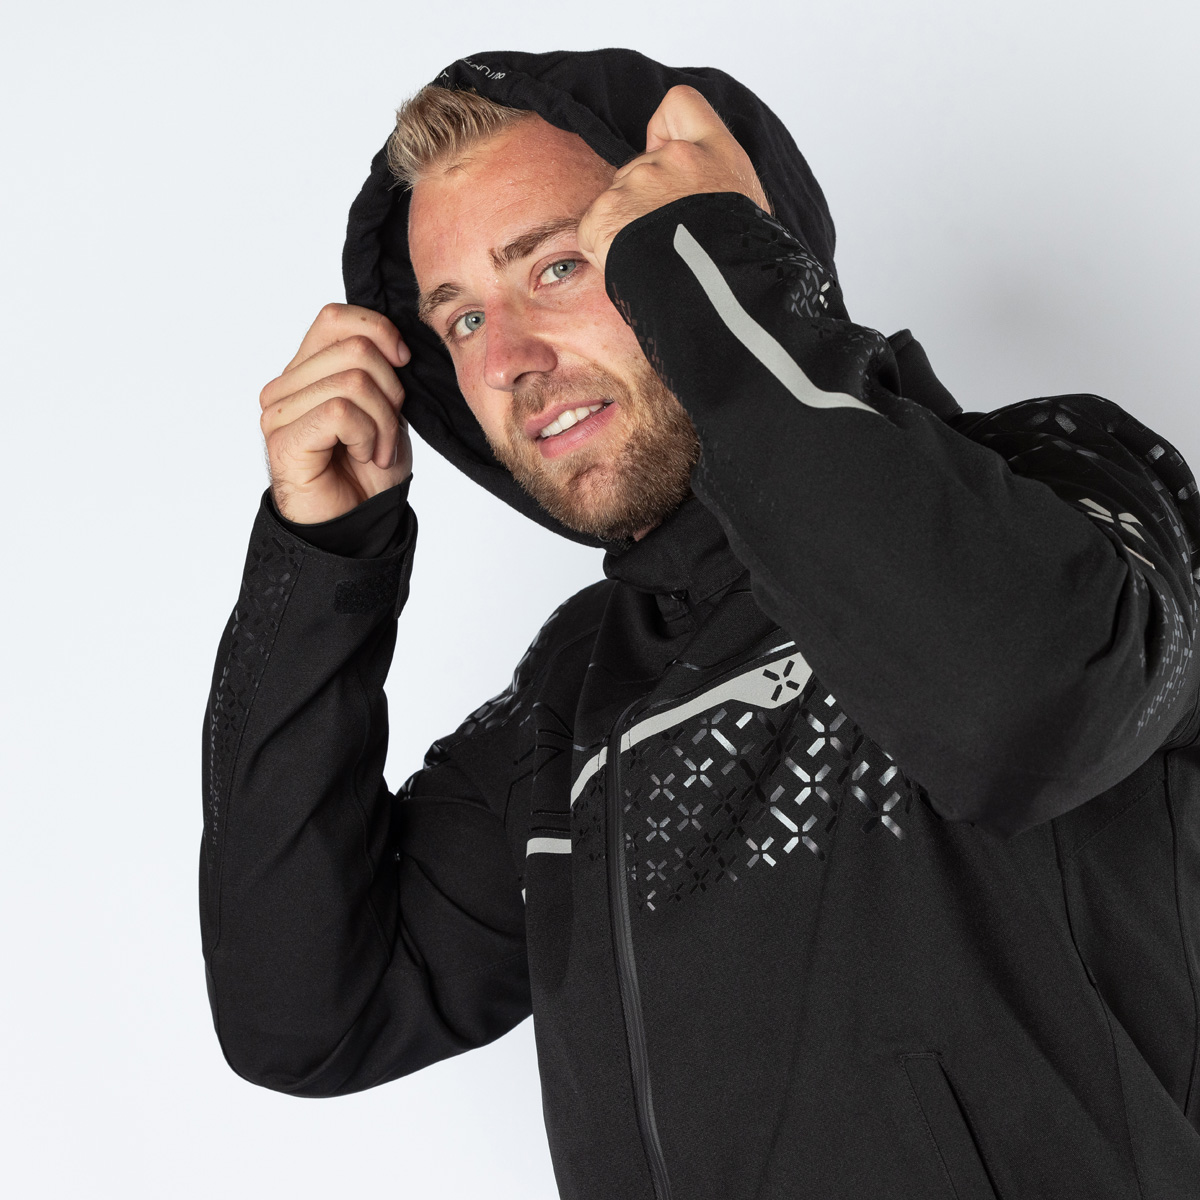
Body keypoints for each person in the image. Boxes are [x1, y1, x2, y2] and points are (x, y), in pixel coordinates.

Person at [200, 48, 1200, 1199]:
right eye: (462, 318)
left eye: (558, 265)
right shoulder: (574, 697)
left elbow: (1031, 713)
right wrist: (322, 565)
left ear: (709, 235)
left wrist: (726, 271)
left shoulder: (1060, 480)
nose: (509, 360)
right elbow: (307, 1013)